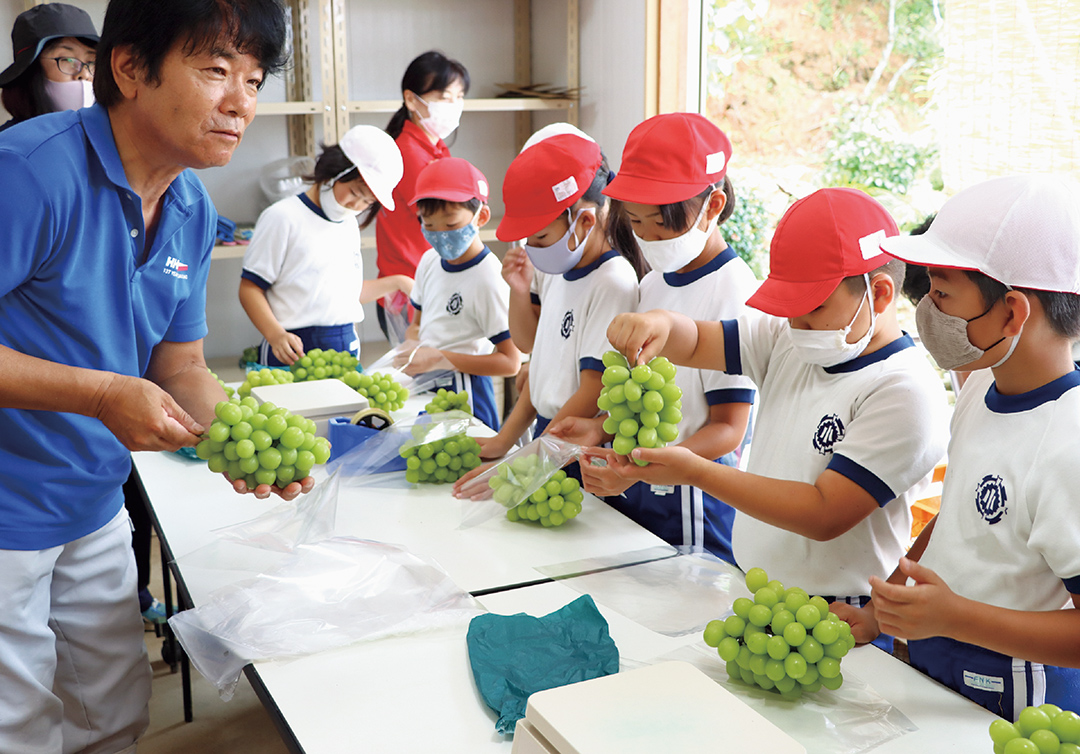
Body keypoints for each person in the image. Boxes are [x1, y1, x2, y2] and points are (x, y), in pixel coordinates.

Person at [0, 0, 292, 751]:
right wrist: (102, 393)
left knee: (114, 714)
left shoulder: (190, 206)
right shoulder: (29, 173)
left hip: (93, 500)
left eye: (254, 80)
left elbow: (181, 365)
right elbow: (122, 383)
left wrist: (234, 431)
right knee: (18, 728)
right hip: (6, 511)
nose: (240, 103)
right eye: (215, 70)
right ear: (129, 68)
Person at [604, 187, 949, 611]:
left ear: (877, 294)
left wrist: (695, 472)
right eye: (789, 307)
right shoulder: (790, 338)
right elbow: (695, 342)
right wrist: (659, 323)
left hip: (836, 615)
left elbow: (823, 514)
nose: (797, 323)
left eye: (813, 307)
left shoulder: (904, 393)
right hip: (757, 592)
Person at [832, 174, 1080, 721]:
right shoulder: (983, 388)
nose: (926, 310)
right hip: (935, 666)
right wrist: (882, 610)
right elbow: (958, 520)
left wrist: (952, 617)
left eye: (942, 294)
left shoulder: (1068, 444)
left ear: (1012, 313)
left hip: (1014, 699)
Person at [547, 113, 758, 563]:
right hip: (641, 478)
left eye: (662, 226)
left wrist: (649, 465)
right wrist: (599, 429)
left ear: (712, 206)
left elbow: (728, 428)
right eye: (638, 226)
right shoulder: (655, 281)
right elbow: (644, 394)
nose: (649, 239)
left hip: (692, 496)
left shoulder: (733, 290)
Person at [462, 125, 642, 462]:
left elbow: (593, 389)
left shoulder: (612, 282)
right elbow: (535, 354)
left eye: (540, 238)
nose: (532, 248)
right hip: (550, 432)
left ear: (585, 222)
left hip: (578, 442)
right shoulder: (559, 267)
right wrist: (505, 439)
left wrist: (534, 454)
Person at [239, 124, 411, 366]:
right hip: (292, 348)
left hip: (345, 345)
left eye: (367, 201)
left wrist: (398, 282)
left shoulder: (348, 225)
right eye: (354, 191)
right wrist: (275, 334)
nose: (357, 205)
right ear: (334, 171)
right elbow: (250, 288)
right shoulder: (282, 217)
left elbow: (345, 293)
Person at [402, 157, 520, 429]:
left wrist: (441, 359)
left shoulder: (489, 278)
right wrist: (412, 347)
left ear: (481, 217)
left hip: (468, 395)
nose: (440, 235)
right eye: (428, 226)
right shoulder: (429, 262)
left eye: (451, 225)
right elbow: (417, 325)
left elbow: (510, 362)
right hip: (425, 388)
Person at [375, 50, 469, 340]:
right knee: (424, 378)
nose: (453, 106)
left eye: (459, 97)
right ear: (411, 99)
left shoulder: (435, 148)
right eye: (443, 98)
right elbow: (450, 218)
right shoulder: (409, 154)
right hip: (412, 292)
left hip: (425, 285)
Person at [0, 3, 98, 132]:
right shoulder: (8, 145)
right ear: (30, 70)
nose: (84, 74)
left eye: (91, 62)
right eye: (67, 60)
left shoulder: (106, 137)